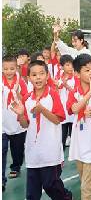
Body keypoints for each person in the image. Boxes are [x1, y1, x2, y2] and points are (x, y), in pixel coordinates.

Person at [10, 60, 72, 200]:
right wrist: (20, 114)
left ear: (47, 75)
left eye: (41, 74)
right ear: (29, 77)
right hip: (33, 152)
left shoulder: (53, 95)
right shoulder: (26, 99)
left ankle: (67, 197)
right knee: (32, 193)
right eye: (34, 74)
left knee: (51, 185)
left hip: (50, 151)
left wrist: (42, 110)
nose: (38, 77)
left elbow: (58, 120)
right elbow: (25, 125)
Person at [67, 54, 91, 200]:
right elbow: (75, 109)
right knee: (88, 183)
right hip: (78, 145)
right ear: (77, 73)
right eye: (87, 70)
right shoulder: (74, 92)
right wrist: (89, 93)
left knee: (86, 189)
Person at [2, 56, 28, 189]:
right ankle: (2, 178)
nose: (8, 71)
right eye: (5, 68)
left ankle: (16, 166)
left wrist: (17, 93)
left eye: (11, 68)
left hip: (17, 120)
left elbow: (26, 98)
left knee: (16, 147)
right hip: (3, 120)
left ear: (16, 68)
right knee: (3, 148)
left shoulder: (21, 82)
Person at [57, 54, 76, 149]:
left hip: (72, 110)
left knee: (74, 136)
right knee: (62, 137)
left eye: (71, 64)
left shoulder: (76, 77)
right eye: (67, 65)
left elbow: (77, 93)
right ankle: (60, 158)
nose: (70, 67)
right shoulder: (59, 77)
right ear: (62, 67)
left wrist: (66, 86)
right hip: (63, 111)